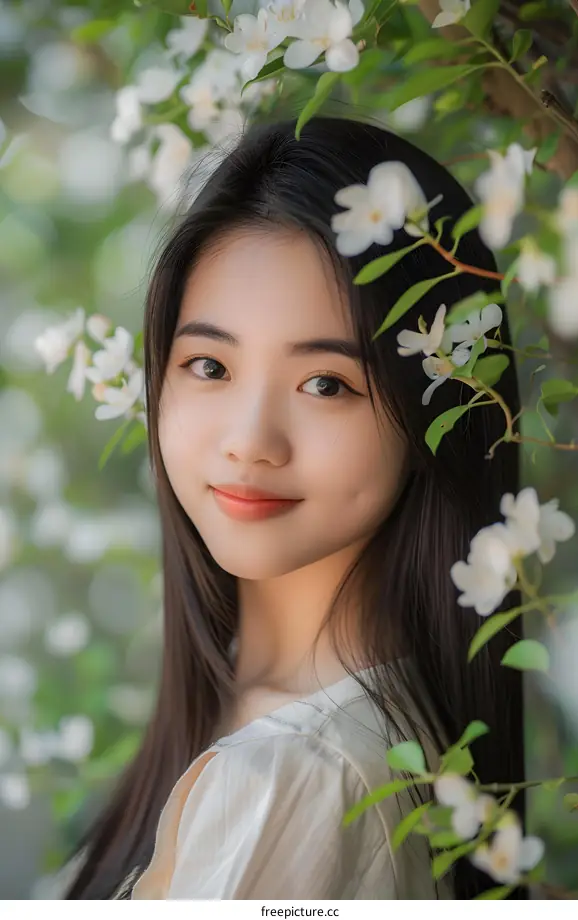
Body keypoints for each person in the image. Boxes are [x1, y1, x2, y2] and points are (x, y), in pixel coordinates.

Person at [63, 116, 525, 900]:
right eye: (209, 365)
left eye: (327, 384)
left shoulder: (294, 776)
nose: (250, 443)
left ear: (437, 415)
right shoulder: (282, 721)